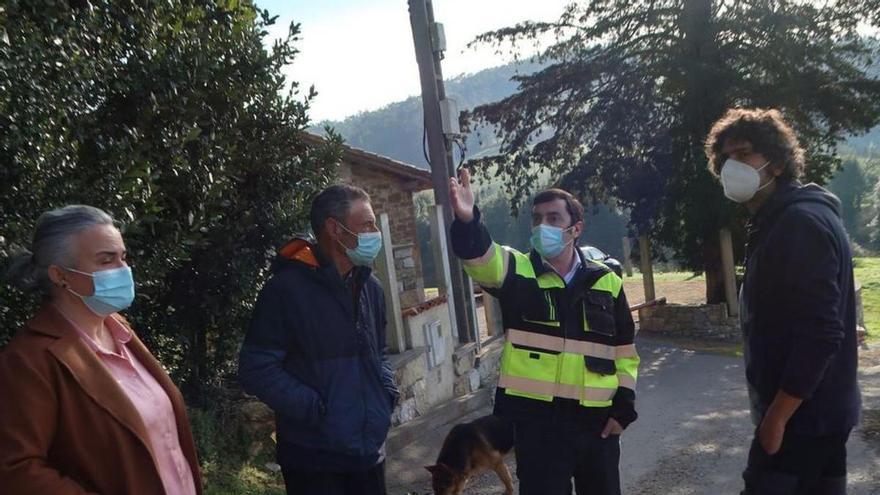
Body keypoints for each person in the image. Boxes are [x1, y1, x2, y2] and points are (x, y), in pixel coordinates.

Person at [448, 170, 640, 495]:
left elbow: (624, 351)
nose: (543, 226)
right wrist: (468, 221)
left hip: (597, 426)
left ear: (575, 229)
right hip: (538, 429)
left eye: (553, 218)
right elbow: (480, 259)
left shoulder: (606, 281)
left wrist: (623, 409)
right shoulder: (517, 270)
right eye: (537, 219)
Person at [705, 108, 861, 495]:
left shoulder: (797, 223)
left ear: (776, 163)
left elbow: (820, 332)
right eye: (725, 159)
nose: (731, 166)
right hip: (820, 414)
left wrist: (776, 418)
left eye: (743, 155)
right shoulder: (783, 219)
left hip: (802, 419)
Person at [0, 205, 201, 495]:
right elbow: (15, 469)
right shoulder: (29, 360)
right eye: (106, 260)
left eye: (123, 257)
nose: (123, 270)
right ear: (59, 275)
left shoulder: (119, 328)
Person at [238, 184, 399, 495]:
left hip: (368, 453)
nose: (374, 232)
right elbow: (256, 368)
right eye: (366, 224)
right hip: (313, 461)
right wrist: (318, 409)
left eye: (374, 224)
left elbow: (378, 353)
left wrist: (386, 392)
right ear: (334, 229)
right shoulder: (285, 291)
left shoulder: (370, 288)